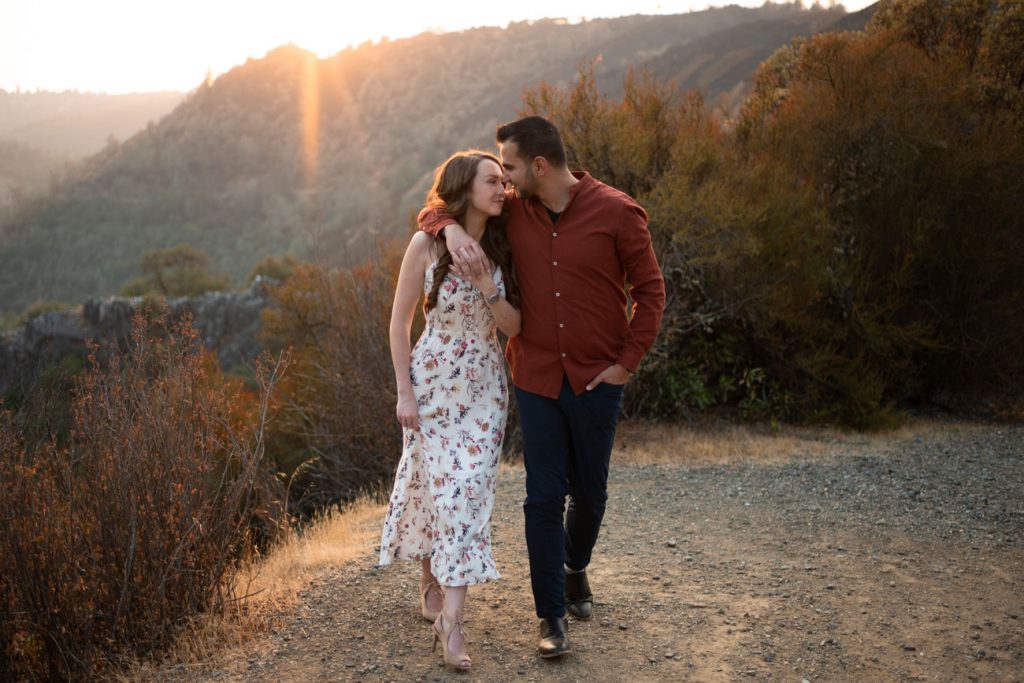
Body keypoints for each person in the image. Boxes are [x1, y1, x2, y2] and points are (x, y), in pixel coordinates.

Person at [419, 116, 666, 659]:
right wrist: (450, 230)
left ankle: (575, 567)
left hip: (597, 377)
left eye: (508, 166)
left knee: (591, 494)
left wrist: (626, 363)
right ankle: (550, 616)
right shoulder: (515, 211)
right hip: (535, 377)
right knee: (543, 496)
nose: (503, 179)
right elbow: (438, 208)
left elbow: (651, 292)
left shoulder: (618, 212)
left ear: (538, 166)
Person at [378, 150, 521, 672]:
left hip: (484, 388)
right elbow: (399, 324)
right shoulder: (426, 243)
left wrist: (486, 286)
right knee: (429, 484)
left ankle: (452, 624)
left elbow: (515, 328)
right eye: (492, 181)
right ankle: (429, 580)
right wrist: (403, 392)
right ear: (465, 187)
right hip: (432, 382)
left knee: (467, 492)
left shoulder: (507, 243)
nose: (502, 189)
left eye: (504, 180)